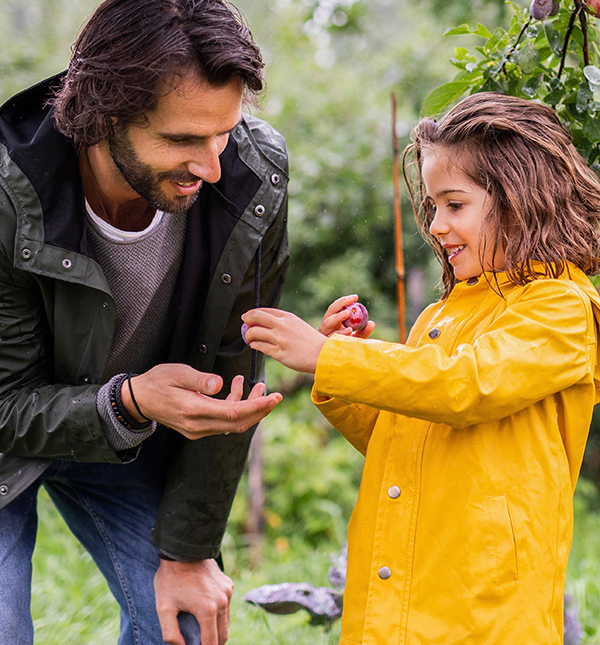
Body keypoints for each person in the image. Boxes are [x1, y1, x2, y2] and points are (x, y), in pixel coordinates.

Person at [242, 92, 600, 644]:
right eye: (433, 207)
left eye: (454, 205)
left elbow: (465, 385)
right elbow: (404, 439)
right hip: (402, 587)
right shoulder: (440, 315)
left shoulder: (561, 309)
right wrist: (335, 374)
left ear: (522, 200)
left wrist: (329, 356)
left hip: (485, 611)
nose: (435, 225)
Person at [0, 0, 289, 645]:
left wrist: (190, 551)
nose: (212, 166)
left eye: (223, 133)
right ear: (101, 118)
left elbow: (231, 368)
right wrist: (128, 401)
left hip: (129, 441)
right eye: (184, 140)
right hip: (15, 429)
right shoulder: (8, 194)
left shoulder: (252, 175)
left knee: (183, 628)